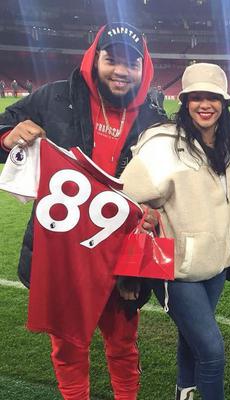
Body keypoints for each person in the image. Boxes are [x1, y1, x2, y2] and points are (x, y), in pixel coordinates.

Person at [0, 22, 165, 399]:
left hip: (123, 253)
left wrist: (155, 214)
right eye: (112, 59)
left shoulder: (154, 119)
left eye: (132, 63)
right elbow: (4, 129)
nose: (122, 71)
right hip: (62, 251)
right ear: (94, 58)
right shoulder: (53, 98)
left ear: (144, 68)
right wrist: (8, 138)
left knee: (123, 343)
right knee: (68, 345)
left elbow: (166, 187)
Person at [121, 62, 230, 400]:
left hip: (216, 264)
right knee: (212, 351)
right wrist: (146, 212)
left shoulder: (225, 143)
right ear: (185, 102)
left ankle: (184, 394)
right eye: (196, 97)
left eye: (213, 97)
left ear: (224, 102)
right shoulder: (164, 143)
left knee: (191, 340)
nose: (205, 105)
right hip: (176, 268)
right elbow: (127, 196)